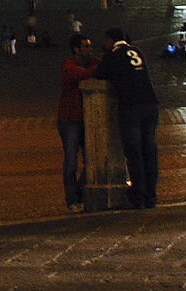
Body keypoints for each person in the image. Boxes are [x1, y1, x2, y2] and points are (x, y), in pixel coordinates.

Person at [98, 28, 160, 207]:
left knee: (134, 153)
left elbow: (99, 74)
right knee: (149, 151)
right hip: (150, 103)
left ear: (110, 40)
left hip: (131, 105)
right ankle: (151, 196)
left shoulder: (113, 55)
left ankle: (138, 197)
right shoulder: (136, 51)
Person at [56, 37, 98, 209]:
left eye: (90, 45)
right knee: (71, 161)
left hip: (85, 120)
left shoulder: (91, 62)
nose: (90, 49)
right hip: (69, 120)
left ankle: (79, 195)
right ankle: (72, 200)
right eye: (86, 46)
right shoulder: (68, 66)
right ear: (76, 50)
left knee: (92, 160)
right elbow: (83, 74)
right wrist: (98, 68)